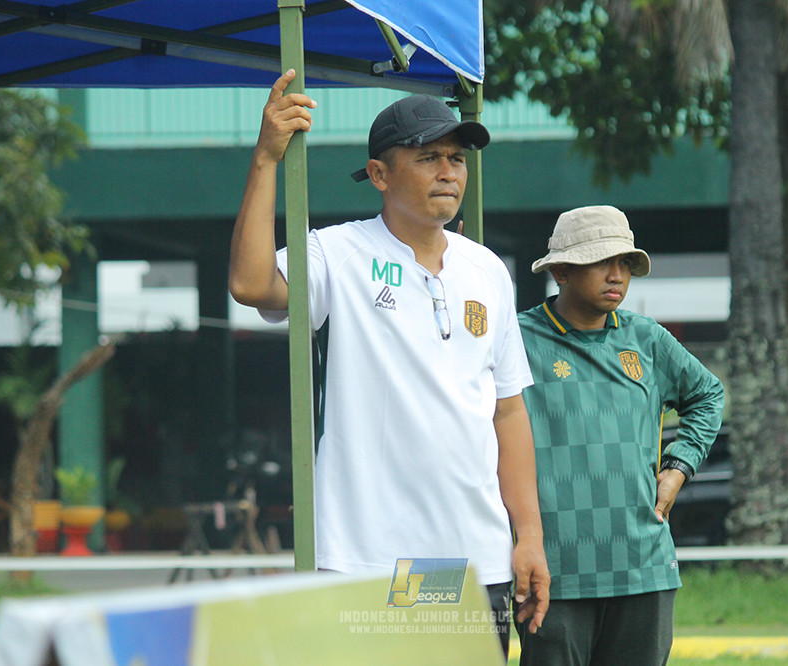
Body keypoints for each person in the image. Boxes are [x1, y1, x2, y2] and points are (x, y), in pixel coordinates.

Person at [228, 70, 550, 650]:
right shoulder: (338, 252)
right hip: (372, 556)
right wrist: (267, 158)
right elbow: (251, 284)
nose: (449, 171)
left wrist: (528, 535)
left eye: (457, 157)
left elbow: (508, 412)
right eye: (429, 157)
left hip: (475, 555)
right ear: (379, 174)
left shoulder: (489, 270)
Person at [514, 205, 724, 665]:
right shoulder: (516, 338)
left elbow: (709, 395)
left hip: (643, 569)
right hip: (554, 572)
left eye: (625, 263)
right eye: (601, 261)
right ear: (563, 271)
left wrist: (678, 467)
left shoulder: (646, 338)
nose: (617, 274)